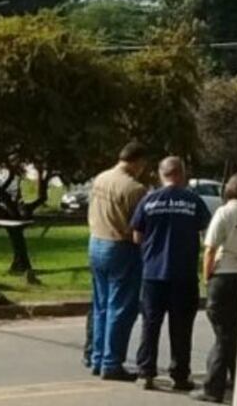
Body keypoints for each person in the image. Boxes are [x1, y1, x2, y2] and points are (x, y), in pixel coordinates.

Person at [130, 157, 211, 392]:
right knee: (182, 328)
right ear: (182, 174)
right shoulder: (193, 201)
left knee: (150, 324)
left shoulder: (149, 200)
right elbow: (205, 232)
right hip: (183, 273)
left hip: (153, 272)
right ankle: (180, 375)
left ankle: (146, 373)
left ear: (160, 174)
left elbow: (136, 235)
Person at [88, 141, 149, 381]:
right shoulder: (135, 189)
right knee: (120, 308)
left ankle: (97, 357)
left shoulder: (100, 178)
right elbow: (138, 228)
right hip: (120, 246)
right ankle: (112, 363)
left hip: (96, 242)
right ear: (139, 162)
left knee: (100, 305)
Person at [191, 173, 237, 403]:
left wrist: (207, 278)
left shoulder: (226, 212)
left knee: (222, 335)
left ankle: (213, 387)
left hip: (225, 275)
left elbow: (210, 249)